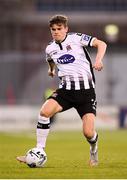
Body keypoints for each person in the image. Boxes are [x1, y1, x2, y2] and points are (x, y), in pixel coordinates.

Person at [17, 15, 107, 166]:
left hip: (86, 93)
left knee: (88, 133)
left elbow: (101, 44)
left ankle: (93, 150)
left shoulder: (76, 38)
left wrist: (98, 60)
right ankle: (39, 150)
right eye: (53, 30)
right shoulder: (50, 48)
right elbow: (50, 60)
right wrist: (51, 70)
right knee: (44, 113)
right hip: (66, 90)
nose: (56, 32)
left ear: (66, 29)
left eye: (59, 29)